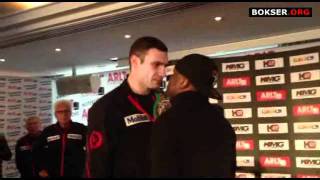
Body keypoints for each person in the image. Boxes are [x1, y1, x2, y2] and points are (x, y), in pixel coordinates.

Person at [85, 36, 168, 177]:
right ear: (135, 62)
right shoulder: (106, 108)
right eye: (156, 65)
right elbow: (96, 167)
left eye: (165, 65)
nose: (163, 72)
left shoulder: (164, 102)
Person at [150, 54, 236, 177]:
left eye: (174, 76)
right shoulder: (222, 123)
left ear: (183, 82)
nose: (169, 81)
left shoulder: (169, 122)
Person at [33, 100, 87, 177]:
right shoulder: (48, 131)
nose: (64, 114)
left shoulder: (81, 129)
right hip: (52, 174)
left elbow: (92, 149)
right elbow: (36, 150)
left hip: (76, 174)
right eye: (60, 112)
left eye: (66, 111)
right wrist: (40, 169)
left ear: (71, 113)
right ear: (55, 114)